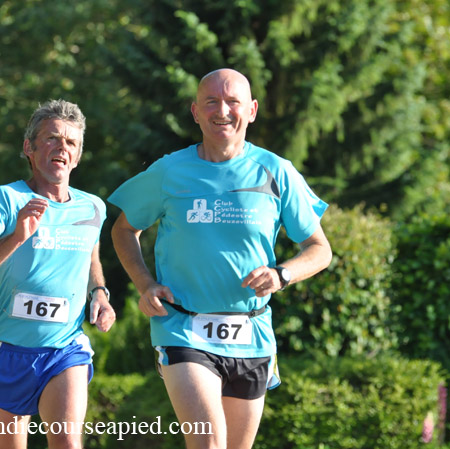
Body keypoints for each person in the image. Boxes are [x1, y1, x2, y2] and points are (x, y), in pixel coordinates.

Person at [109, 68, 332, 449]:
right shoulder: (169, 171)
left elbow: (319, 249)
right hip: (183, 327)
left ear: (252, 110)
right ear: (195, 112)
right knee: (209, 442)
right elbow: (123, 229)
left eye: (233, 101)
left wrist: (282, 275)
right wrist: (145, 285)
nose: (222, 110)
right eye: (211, 101)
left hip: (252, 333)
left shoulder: (276, 171)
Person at [0, 99, 115, 449]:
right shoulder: (6, 199)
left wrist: (100, 293)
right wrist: (16, 236)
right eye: (52, 138)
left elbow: (90, 257)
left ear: (78, 156)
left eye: (71, 142)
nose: (62, 147)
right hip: (8, 351)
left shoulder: (93, 207)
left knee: (68, 443)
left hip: (65, 348)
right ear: (29, 147)